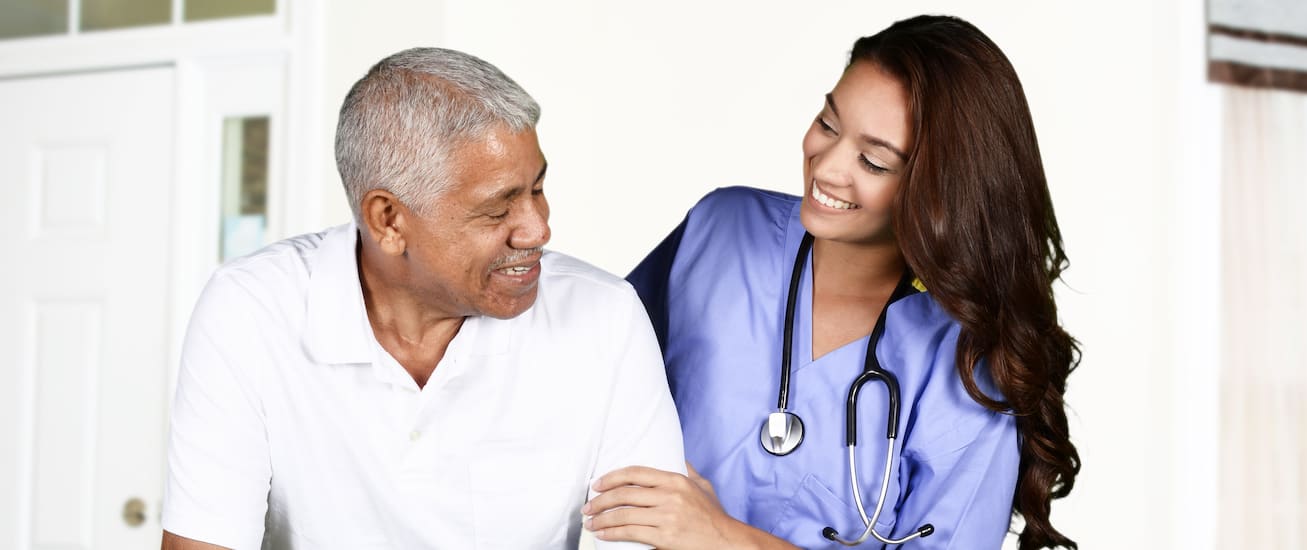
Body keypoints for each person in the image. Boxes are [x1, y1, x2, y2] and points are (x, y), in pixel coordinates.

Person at [584, 14, 1081, 550]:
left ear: (942, 188)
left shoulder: (967, 365)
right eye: (827, 123)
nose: (827, 168)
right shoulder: (722, 230)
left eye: (872, 160)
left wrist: (720, 537)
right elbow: (580, 376)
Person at [160, 47, 684, 549]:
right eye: (498, 209)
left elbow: (655, 543)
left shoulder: (606, 317)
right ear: (388, 220)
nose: (538, 229)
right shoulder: (249, 310)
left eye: (537, 189)